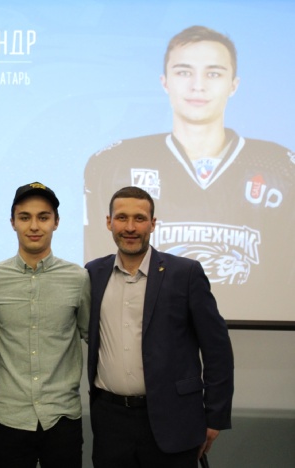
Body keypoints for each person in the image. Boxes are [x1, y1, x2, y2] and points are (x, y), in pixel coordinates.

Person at [84, 25, 294, 320]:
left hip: (265, 329)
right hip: (138, 328)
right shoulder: (113, 163)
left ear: (233, 84)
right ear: (165, 81)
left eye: (213, 73)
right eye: (184, 72)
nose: (198, 85)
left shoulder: (280, 166)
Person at [86, 186, 234, 468]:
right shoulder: (93, 273)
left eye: (140, 218)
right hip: (110, 422)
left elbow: (217, 349)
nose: (130, 227)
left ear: (153, 224)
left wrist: (215, 416)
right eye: (122, 218)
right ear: (109, 222)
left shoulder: (185, 273)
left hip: (174, 419)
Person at [0, 182, 90, 468]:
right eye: (25, 217)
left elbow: (89, 333)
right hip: (11, 416)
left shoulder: (78, 279)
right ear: (13, 222)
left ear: (56, 222)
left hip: (62, 416)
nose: (34, 226)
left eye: (43, 217)